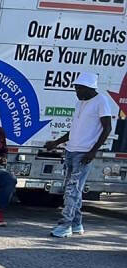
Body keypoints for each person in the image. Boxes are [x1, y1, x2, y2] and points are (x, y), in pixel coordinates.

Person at [43, 71, 117, 237]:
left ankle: (65, 225)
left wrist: (93, 151)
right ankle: (76, 223)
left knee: (72, 190)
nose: (76, 92)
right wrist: (56, 143)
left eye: (78, 89)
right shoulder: (81, 103)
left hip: (83, 153)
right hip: (71, 150)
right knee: (73, 189)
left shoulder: (101, 101)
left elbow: (107, 128)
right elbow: (74, 129)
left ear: (89, 88)